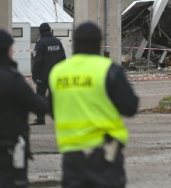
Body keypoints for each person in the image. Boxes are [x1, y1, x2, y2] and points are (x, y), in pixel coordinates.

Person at [48, 22, 139, 188]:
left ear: (74, 43)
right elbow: (130, 106)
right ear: (99, 44)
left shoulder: (58, 72)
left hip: (72, 155)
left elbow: (53, 111)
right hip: (103, 154)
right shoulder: (107, 70)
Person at [0, 29, 48, 188]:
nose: (13, 51)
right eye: (11, 47)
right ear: (4, 49)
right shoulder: (10, 79)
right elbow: (38, 105)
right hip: (9, 150)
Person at [30, 23, 66, 125]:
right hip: (56, 76)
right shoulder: (57, 42)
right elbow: (63, 58)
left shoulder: (40, 43)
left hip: (43, 76)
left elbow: (37, 61)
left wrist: (34, 75)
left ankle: (41, 119)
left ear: (40, 32)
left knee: (40, 97)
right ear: (50, 30)